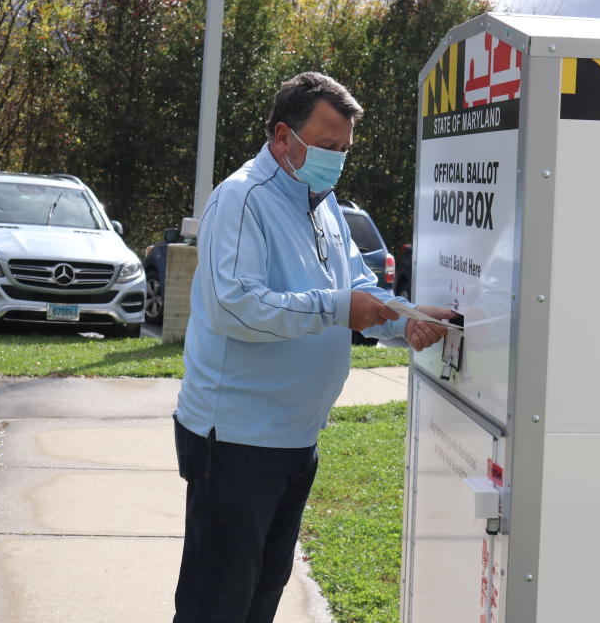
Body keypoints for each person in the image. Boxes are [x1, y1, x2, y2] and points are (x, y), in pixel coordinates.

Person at [172, 71, 454, 623]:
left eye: (344, 150)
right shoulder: (240, 199)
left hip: (294, 440)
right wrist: (337, 308)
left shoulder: (322, 203)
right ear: (283, 137)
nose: (337, 161)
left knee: (258, 599)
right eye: (327, 147)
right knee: (217, 603)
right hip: (234, 443)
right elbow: (236, 306)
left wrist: (406, 319)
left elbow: (358, 286)